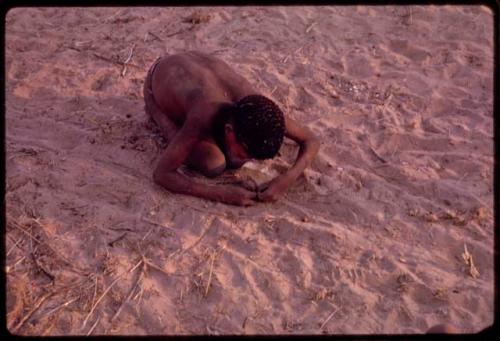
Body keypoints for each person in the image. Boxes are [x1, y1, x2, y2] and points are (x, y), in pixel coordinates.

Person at [143, 51, 320, 206]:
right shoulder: (204, 112)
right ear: (229, 131)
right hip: (159, 76)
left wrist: (287, 179)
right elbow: (162, 174)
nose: (247, 160)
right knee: (212, 163)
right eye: (244, 154)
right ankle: (157, 113)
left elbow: (311, 140)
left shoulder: (255, 105)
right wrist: (220, 194)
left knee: (234, 159)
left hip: (194, 64)